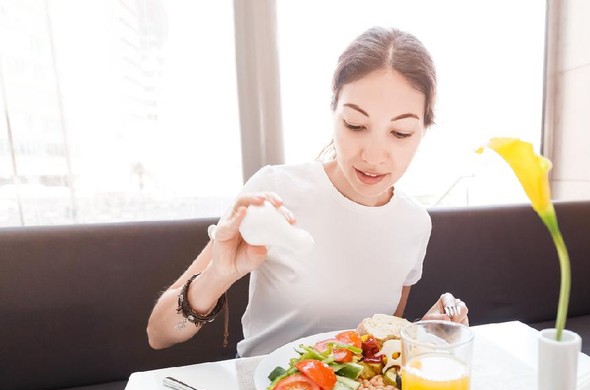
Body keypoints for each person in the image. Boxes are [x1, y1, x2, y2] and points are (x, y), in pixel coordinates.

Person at [147, 26, 469, 357]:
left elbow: (372, 348)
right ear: (334, 113)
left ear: (423, 131)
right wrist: (219, 274)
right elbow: (159, 334)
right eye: (355, 125)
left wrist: (419, 334)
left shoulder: (414, 222)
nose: (373, 156)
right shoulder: (276, 191)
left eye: (400, 133)